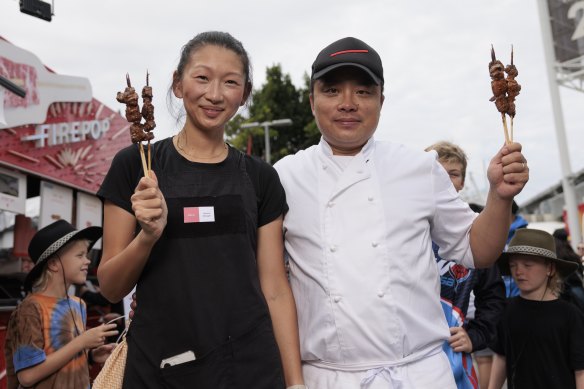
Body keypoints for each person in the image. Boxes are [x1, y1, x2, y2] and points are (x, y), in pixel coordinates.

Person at [273, 36, 529, 388]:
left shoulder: (419, 168)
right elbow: (270, 285)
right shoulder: (284, 177)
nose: (348, 104)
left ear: (381, 99)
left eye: (363, 92)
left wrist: (498, 197)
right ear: (312, 100)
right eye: (332, 90)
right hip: (327, 377)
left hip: (419, 374)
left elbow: (478, 251)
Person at [97, 31, 304, 389]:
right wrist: (147, 237)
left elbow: (274, 288)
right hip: (159, 367)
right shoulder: (137, 166)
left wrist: (295, 382)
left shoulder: (261, 178)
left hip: (249, 368)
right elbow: (111, 288)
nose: (214, 94)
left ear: (244, 94)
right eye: (202, 77)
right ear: (178, 84)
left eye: (230, 82)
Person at [426, 141, 506, 389]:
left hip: (453, 362)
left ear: (462, 182)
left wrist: (475, 336)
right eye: (439, 171)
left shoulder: (477, 233)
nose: (447, 180)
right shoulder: (401, 227)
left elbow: (493, 297)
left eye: (454, 174)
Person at [4, 220, 118, 389]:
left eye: (86, 255)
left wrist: (91, 356)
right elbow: (27, 376)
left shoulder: (78, 304)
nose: (87, 261)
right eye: (80, 255)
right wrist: (81, 343)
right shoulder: (30, 309)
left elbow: (63, 356)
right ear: (53, 264)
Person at [488, 228, 584, 389]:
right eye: (513, 265)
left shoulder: (570, 315)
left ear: (550, 269)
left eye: (528, 265)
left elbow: (580, 369)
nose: (519, 271)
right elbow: (501, 356)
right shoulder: (507, 309)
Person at [553, 228, 584, 313]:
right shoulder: (570, 252)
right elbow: (580, 269)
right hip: (576, 287)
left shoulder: (554, 254)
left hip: (560, 289)